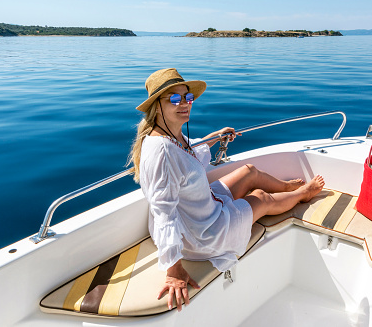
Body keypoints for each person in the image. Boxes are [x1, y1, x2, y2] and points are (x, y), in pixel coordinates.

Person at [128, 68, 325, 312]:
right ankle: (301, 194)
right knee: (260, 198)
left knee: (249, 171)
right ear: (157, 106)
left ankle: (285, 186)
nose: (185, 104)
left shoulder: (171, 135)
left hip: (201, 208)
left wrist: (214, 137)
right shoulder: (162, 152)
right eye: (175, 99)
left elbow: (191, 157)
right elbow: (164, 213)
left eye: (187, 98)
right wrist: (173, 269)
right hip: (201, 234)